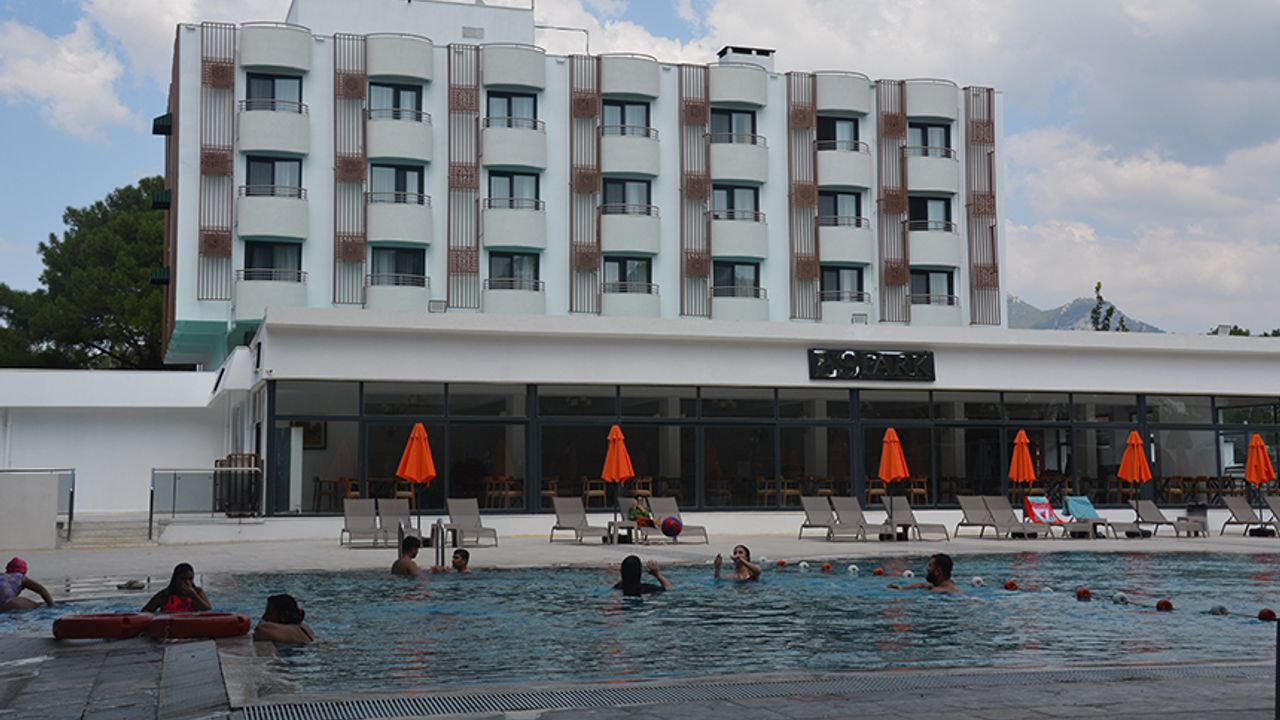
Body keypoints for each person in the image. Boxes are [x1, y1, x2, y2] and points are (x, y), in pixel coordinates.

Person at [141, 563, 212, 613]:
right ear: (175, 580)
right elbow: (145, 612)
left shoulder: (198, 592)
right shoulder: (165, 595)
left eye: (190, 579)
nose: (187, 582)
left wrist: (194, 596)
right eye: (183, 579)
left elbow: (207, 610)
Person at [888, 553, 959, 594]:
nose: (927, 568)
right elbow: (922, 585)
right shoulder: (945, 584)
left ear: (937, 571)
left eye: (930, 566)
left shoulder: (938, 591)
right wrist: (902, 588)